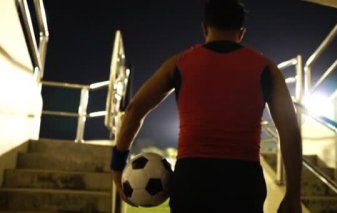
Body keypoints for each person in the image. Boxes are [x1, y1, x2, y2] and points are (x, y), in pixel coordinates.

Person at [110, 0, 302, 212]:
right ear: (241, 32)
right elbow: (290, 130)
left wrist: (118, 166)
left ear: (204, 28)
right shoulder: (266, 68)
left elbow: (134, 110)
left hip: (193, 178)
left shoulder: (180, 63)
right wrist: (293, 194)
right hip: (243, 180)